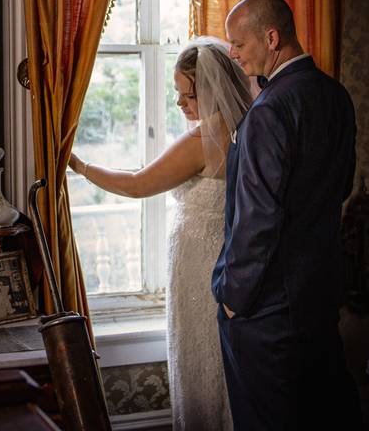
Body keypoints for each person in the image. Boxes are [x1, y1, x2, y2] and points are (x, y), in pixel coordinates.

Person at [69, 36, 252, 431]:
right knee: (221, 366)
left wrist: (80, 166)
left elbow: (137, 185)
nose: (179, 104)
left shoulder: (205, 138)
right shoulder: (249, 126)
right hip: (226, 265)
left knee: (201, 363)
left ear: (208, 89)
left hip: (199, 271)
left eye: (186, 95)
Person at [212, 0, 362, 430]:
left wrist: (234, 300)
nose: (234, 54)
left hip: (268, 312)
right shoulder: (337, 96)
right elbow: (342, 186)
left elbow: (256, 219)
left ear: (272, 37)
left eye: (239, 44)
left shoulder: (268, 110)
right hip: (319, 298)